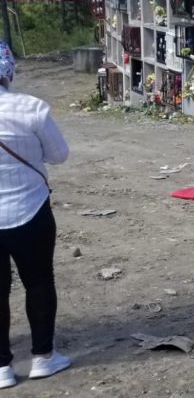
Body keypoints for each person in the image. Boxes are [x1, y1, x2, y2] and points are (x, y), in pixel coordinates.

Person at [0, 42, 71, 388]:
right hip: (30, 209)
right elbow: (59, 155)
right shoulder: (31, 108)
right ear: (8, 70)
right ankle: (44, 357)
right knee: (39, 281)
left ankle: (2, 368)